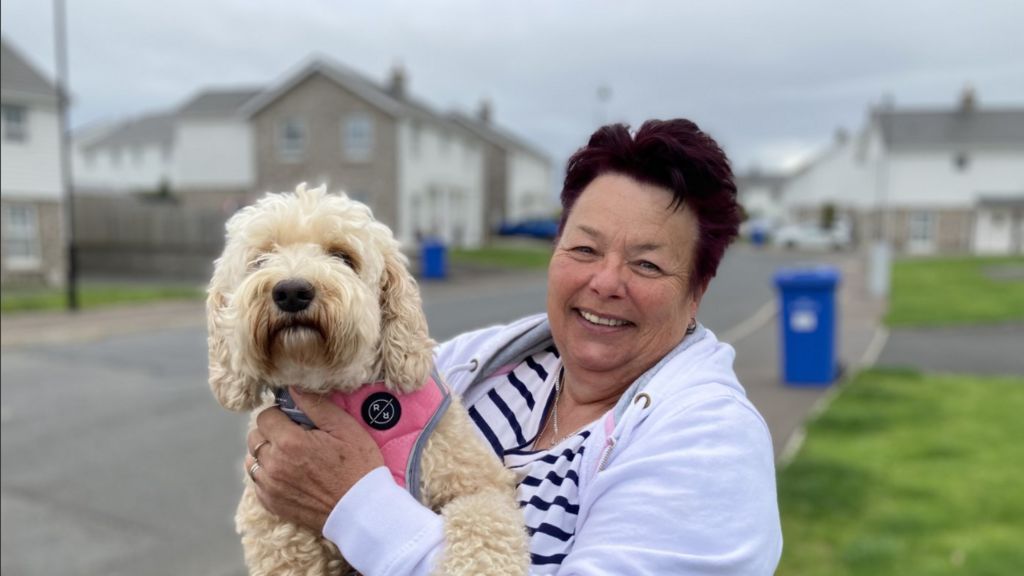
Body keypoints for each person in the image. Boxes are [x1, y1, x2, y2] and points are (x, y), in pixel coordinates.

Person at [245, 119, 783, 574]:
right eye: (584, 248)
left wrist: (353, 504)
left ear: (696, 291)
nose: (606, 282)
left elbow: (345, 491)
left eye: (646, 263)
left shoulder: (712, 444)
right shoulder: (465, 365)